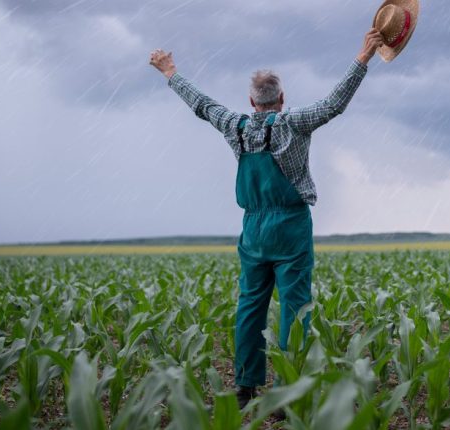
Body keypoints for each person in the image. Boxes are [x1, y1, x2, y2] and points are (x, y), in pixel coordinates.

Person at [149, 28, 384, 409]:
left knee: (250, 307)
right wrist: (363, 57)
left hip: (254, 230)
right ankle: (290, 394)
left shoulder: (235, 126)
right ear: (282, 99)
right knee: (295, 307)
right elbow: (334, 104)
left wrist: (169, 71)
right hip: (291, 226)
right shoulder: (294, 123)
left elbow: (203, 105)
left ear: (251, 102)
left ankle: (245, 390)